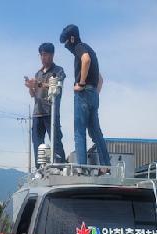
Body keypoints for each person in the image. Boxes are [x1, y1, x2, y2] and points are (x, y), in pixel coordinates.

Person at [59, 24, 111, 167]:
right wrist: (94, 93)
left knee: (79, 132)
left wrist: (81, 84)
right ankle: (105, 166)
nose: (66, 46)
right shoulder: (91, 49)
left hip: (83, 93)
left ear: (72, 38)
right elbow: (100, 79)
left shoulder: (79, 47)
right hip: (94, 93)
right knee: (96, 133)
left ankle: (81, 167)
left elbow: (86, 59)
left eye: (66, 43)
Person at [24, 42, 66, 168]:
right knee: (37, 142)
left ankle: (60, 166)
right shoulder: (38, 73)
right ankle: (39, 168)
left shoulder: (58, 70)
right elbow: (33, 94)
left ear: (52, 55)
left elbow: (56, 86)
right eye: (41, 55)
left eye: (45, 54)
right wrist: (30, 86)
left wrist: (38, 84)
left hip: (51, 111)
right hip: (38, 112)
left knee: (55, 140)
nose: (43, 57)